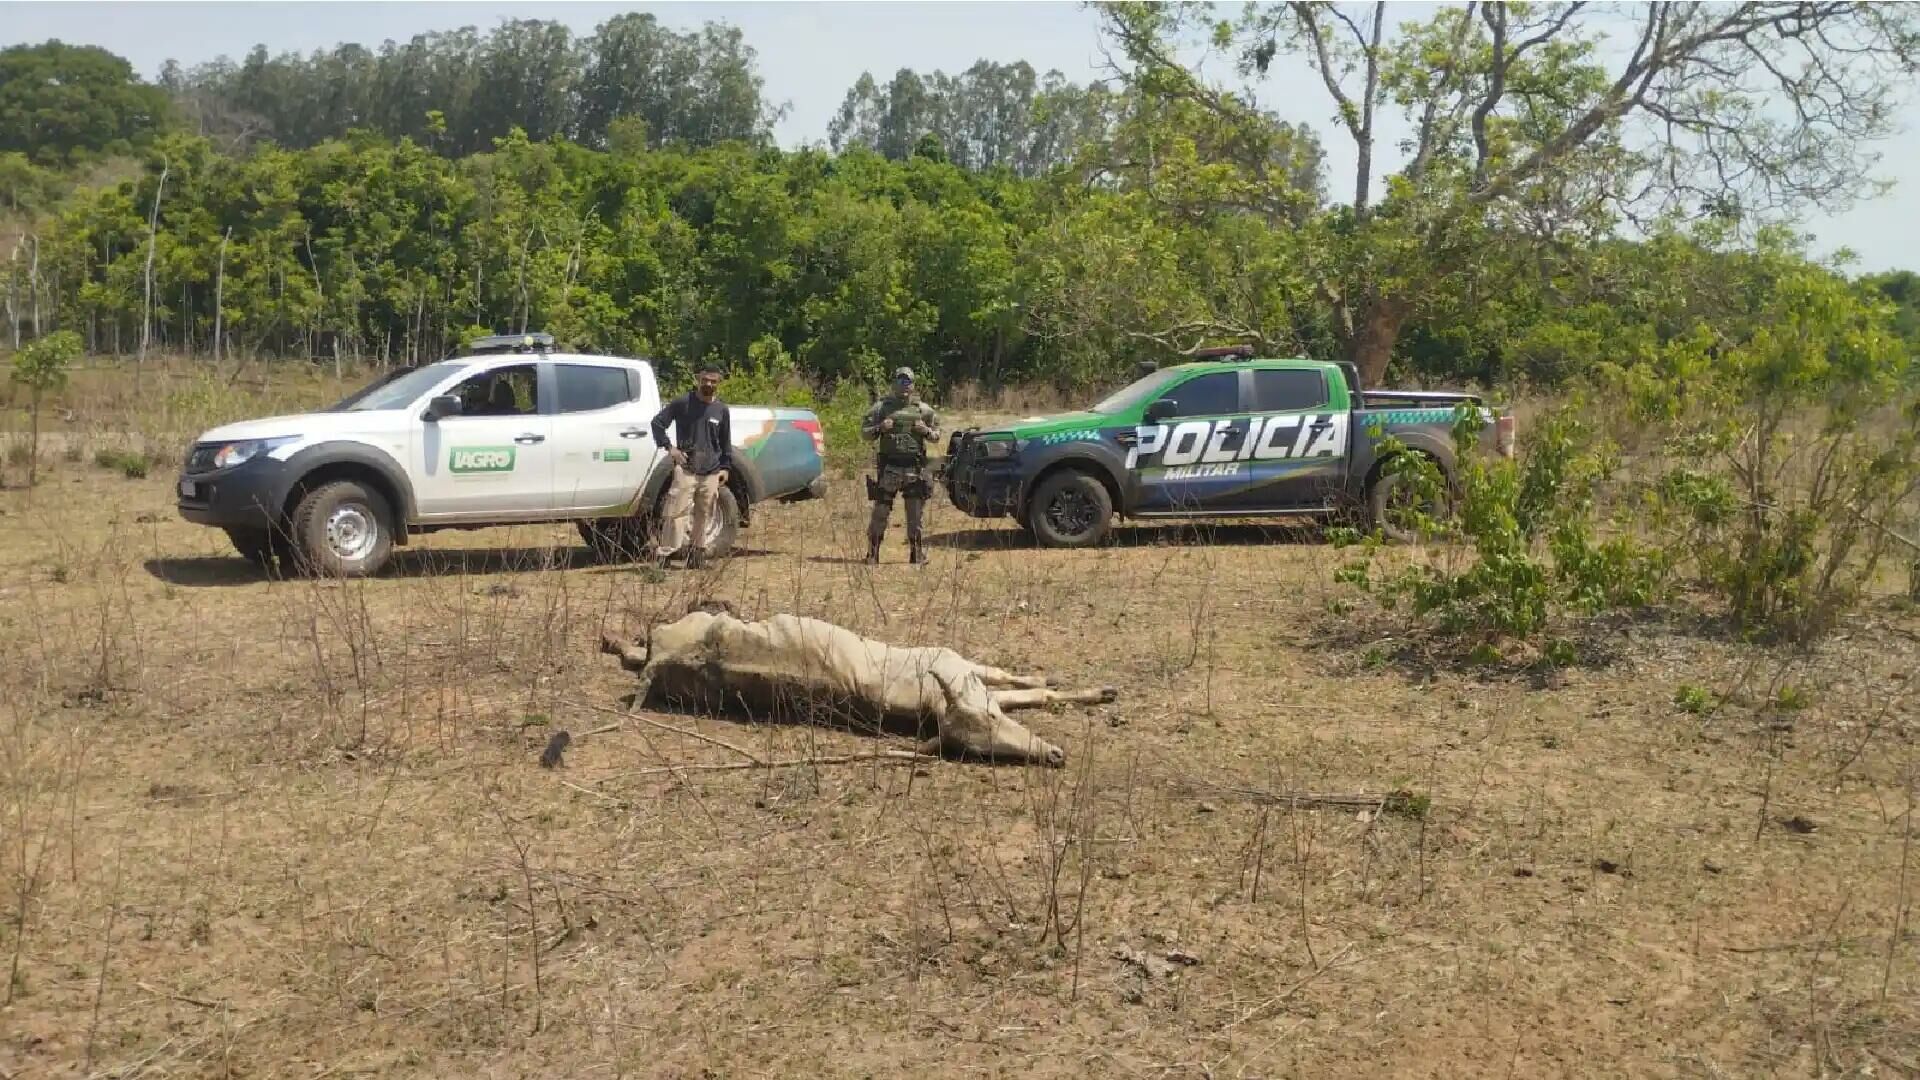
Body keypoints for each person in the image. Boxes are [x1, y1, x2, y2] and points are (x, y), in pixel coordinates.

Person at [650, 361, 732, 569]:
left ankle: (696, 557)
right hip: (687, 469)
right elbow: (658, 423)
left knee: (704, 514)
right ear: (698, 379)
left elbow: (725, 442)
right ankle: (665, 555)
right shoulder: (683, 403)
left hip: (711, 472)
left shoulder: (721, 410)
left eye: (713, 381)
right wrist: (671, 449)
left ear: (718, 383)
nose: (708, 384)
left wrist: (725, 468)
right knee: (676, 513)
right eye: (705, 379)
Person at [860, 366, 939, 565]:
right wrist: (880, 427)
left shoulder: (923, 410)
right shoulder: (881, 408)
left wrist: (926, 431)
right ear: (894, 383)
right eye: (901, 381)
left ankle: (916, 554)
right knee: (881, 512)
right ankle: (873, 554)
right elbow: (865, 433)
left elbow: (937, 437)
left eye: (908, 382)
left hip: (914, 469)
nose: (904, 386)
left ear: (913, 385)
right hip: (890, 468)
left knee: (915, 515)